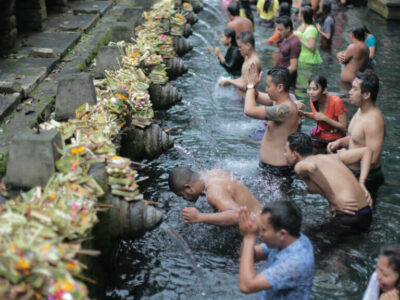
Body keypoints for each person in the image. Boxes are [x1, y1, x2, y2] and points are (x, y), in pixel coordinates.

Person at [285, 132, 373, 234]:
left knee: (303, 241)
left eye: (285, 151)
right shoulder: (332, 157)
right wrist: (362, 184)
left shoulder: (299, 166)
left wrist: (333, 199)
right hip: (366, 213)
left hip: (348, 216)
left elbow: (312, 168)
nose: (284, 154)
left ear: (295, 154)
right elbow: (366, 151)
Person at [238, 201, 314, 299]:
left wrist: (249, 237)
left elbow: (246, 286)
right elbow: (252, 255)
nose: (259, 233)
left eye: (264, 230)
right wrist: (248, 231)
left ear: (282, 234)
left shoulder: (294, 264)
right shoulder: (291, 239)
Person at [327, 71, 384, 200]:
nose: (350, 92)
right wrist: (341, 142)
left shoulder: (373, 120)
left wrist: (345, 156)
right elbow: (357, 138)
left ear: (366, 95)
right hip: (354, 172)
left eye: (354, 89)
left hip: (367, 177)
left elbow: (373, 158)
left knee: (360, 215)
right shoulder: (361, 110)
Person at [244, 65, 299, 177]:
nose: (266, 89)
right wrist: (253, 86)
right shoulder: (276, 101)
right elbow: (256, 96)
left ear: (280, 87)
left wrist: (250, 86)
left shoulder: (286, 109)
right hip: (268, 168)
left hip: (278, 172)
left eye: (268, 86)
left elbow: (249, 110)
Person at [168, 167, 262, 226]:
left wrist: (200, 217)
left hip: (259, 230)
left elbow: (238, 215)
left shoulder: (213, 192)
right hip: (262, 216)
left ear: (188, 188)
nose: (184, 199)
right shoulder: (213, 173)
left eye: (181, 195)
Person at [299, 75, 347, 153]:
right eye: (309, 89)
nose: (311, 92)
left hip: (335, 140)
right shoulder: (313, 99)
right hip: (319, 135)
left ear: (324, 90)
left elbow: (344, 127)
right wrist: (304, 114)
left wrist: (325, 118)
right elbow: (317, 116)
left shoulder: (336, 102)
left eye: (315, 89)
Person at [274, 16, 302, 89]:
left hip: (286, 80)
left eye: (281, 30)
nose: (279, 32)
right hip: (281, 76)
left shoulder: (294, 43)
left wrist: (279, 78)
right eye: (278, 30)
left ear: (288, 28)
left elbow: (293, 67)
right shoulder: (285, 38)